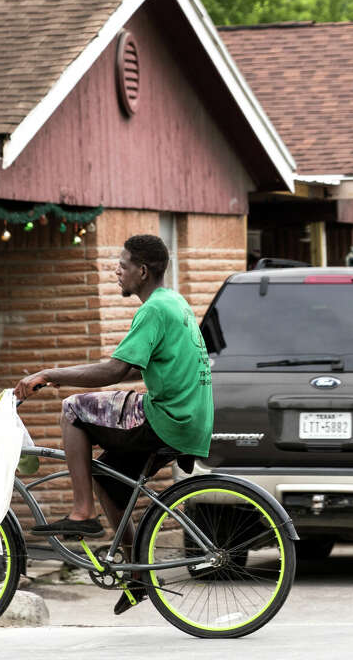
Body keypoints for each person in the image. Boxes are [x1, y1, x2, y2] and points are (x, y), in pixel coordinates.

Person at [14, 234, 212, 608]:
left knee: (74, 409)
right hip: (188, 418)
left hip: (167, 417)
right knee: (104, 474)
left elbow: (114, 370)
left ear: (142, 270)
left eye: (122, 266)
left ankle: (81, 512)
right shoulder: (175, 302)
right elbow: (129, 369)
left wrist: (48, 374)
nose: (115, 272)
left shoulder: (153, 309)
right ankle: (138, 575)